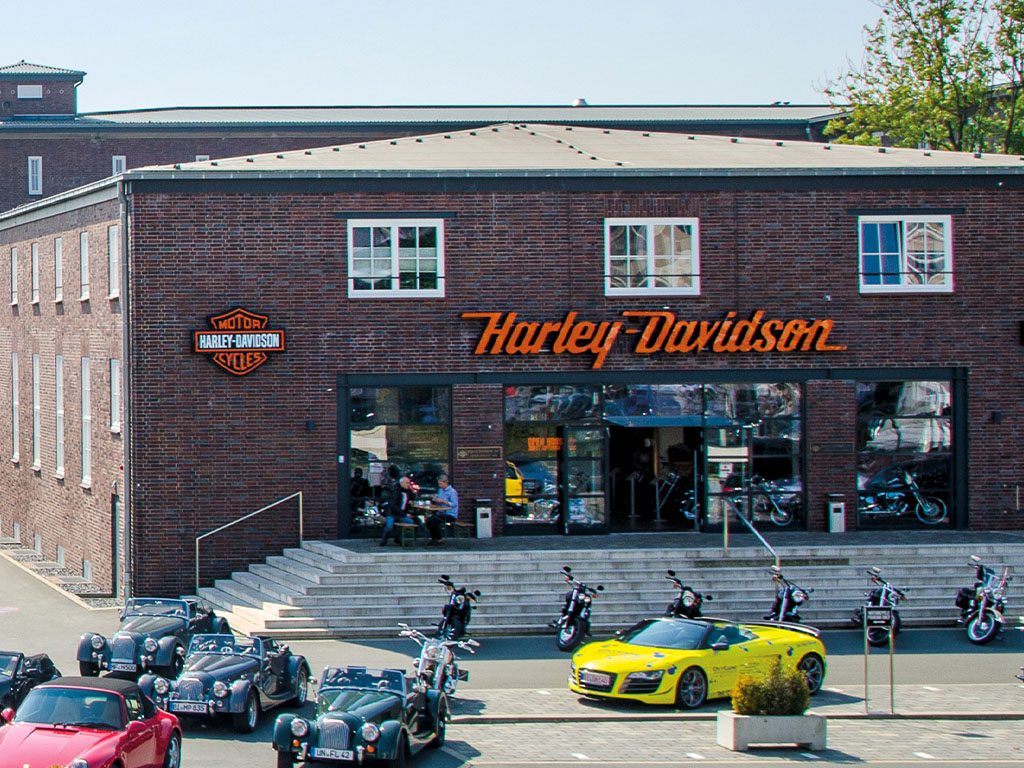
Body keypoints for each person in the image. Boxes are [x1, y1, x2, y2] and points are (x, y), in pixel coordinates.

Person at [380, 471, 416, 546]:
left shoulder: (407, 491)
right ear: (402, 483)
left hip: (401, 514)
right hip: (392, 513)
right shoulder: (395, 491)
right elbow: (393, 505)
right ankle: (384, 539)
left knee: (410, 522)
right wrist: (404, 514)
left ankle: (398, 537)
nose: (408, 484)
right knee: (389, 526)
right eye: (407, 483)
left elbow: (414, 497)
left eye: (409, 483)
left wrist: (411, 489)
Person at [425, 474, 459, 545]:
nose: (440, 485)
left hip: (450, 513)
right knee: (429, 520)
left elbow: (454, 504)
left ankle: (439, 539)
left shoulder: (452, 492)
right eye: (439, 484)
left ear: (446, 482)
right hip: (440, 512)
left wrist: (443, 501)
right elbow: (439, 501)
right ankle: (434, 538)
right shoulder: (440, 490)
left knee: (434, 521)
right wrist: (435, 500)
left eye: (441, 484)